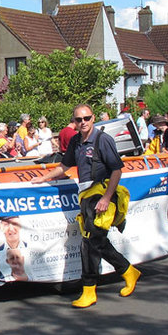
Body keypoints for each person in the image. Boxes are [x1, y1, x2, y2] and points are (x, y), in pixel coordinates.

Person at [31, 103, 140, 308]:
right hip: (86, 196)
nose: (83, 123)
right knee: (96, 241)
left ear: (93, 118)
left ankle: (89, 290)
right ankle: (128, 271)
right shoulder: (75, 141)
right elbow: (65, 166)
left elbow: (117, 170)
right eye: (79, 119)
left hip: (100, 195)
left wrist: (106, 198)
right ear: (75, 121)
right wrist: (42, 178)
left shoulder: (103, 140)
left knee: (89, 242)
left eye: (87, 118)